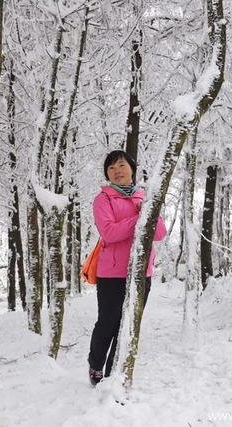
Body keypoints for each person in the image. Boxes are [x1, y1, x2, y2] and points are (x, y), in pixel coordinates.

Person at [88, 150, 167, 386]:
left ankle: (114, 374)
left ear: (132, 168)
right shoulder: (103, 199)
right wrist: (140, 219)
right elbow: (110, 233)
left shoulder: (145, 197)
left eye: (121, 165)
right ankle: (95, 364)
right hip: (112, 275)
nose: (117, 171)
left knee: (129, 323)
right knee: (108, 323)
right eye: (111, 168)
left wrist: (147, 211)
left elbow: (160, 233)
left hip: (142, 273)